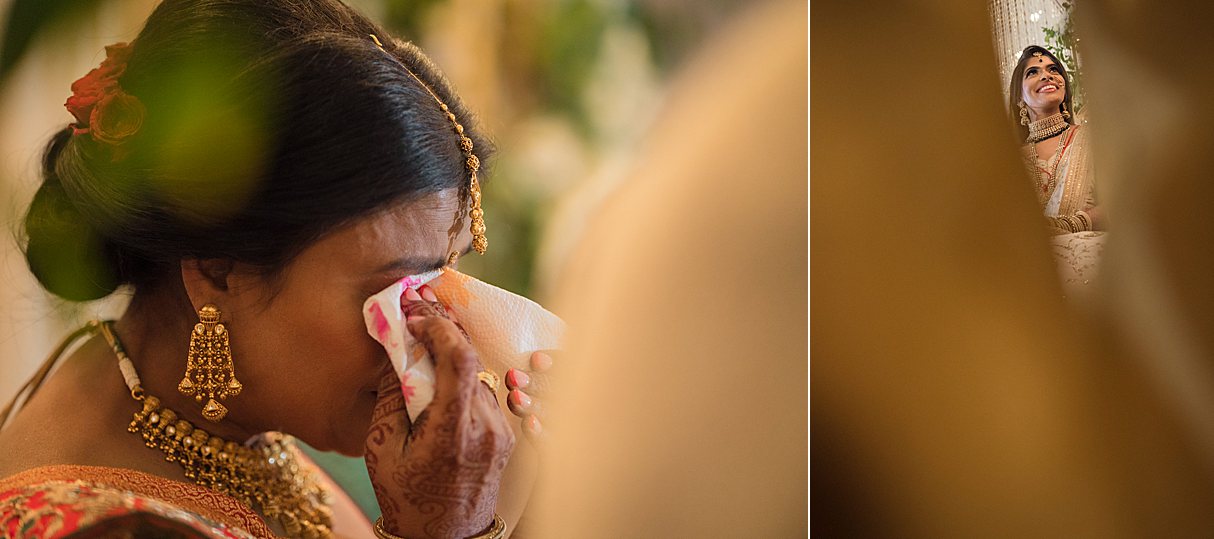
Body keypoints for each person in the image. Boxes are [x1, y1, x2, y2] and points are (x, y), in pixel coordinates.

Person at [0, 1, 536, 537]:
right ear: (217, 271)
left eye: (446, 281)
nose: (450, 334)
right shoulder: (105, 526)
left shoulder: (224, 425)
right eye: (398, 289)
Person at [1009, 45, 1105, 296]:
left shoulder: (1095, 139)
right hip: (1029, 274)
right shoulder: (1010, 161)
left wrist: (1076, 223)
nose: (1046, 75)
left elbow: (1126, 202)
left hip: (1091, 260)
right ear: (1019, 98)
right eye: (1033, 72)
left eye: (1053, 69)